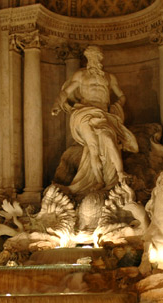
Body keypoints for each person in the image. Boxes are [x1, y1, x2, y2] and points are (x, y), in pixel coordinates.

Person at [51, 45, 138, 194]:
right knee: (93, 146)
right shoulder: (80, 75)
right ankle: (98, 181)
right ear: (87, 58)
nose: (93, 59)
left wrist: (117, 105)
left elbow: (122, 96)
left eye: (96, 56)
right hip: (84, 112)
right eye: (90, 57)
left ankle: (120, 173)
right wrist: (57, 104)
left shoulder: (109, 78)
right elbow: (66, 92)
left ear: (100, 58)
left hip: (103, 114)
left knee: (108, 138)